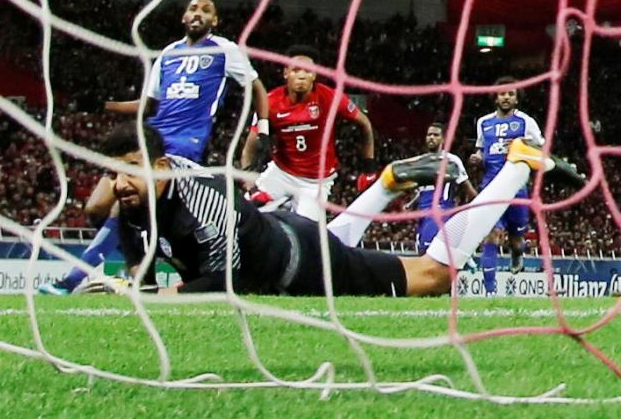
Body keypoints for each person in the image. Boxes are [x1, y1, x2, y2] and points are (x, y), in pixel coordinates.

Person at [100, 122, 582, 297]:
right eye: (113, 172)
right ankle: (388, 183)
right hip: (287, 234)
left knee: (435, 276)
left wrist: (160, 297)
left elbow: (229, 282)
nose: (119, 183)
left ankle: (517, 166)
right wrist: (130, 288)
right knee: (333, 245)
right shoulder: (143, 190)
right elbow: (137, 263)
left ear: (161, 165)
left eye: (129, 170)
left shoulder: (201, 203)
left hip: (305, 264)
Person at [39, 0, 270, 295]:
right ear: (183, 17)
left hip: (185, 144)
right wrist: (106, 105)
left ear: (215, 21)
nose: (197, 13)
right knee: (96, 207)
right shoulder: (168, 54)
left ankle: (69, 282)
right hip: (149, 138)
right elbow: (148, 106)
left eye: (206, 10)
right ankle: (140, 268)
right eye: (192, 8)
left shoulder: (225, 50)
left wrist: (262, 128)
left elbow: (256, 87)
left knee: (120, 210)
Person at [239, 45, 376, 223]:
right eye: (296, 70)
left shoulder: (330, 98)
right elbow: (249, 149)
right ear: (286, 73)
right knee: (245, 214)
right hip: (281, 173)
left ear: (315, 75)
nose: (302, 75)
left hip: (316, 182)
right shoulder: (269, 102)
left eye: (308, 71)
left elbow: (364, 123)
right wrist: (251, 188)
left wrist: (369, 167)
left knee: (305, 231)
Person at [468, 76, 543, 292]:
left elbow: (541, 151)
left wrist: (523, 144)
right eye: (502, 93)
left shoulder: (526, 122)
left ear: (517, 99)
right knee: (491, 235)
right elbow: (481, 151)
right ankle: (489, 293)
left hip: (517, 188)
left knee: (516, 240)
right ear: (496, 97)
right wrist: (477, 158)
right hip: (491, 186)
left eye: (510, 94)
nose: (506, 97)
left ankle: (517, 253)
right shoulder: (483, 122)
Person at [409, 122, 477, 254]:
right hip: (423, 214)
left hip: (439, 212)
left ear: (443, 139)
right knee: (423, 254)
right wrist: (410, 204)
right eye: (429, 135)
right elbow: (422, 190)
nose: (431, 138)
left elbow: (467, 187)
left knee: (429, 256)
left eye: (435, 135)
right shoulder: (420, 162)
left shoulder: (451, 161)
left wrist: (484, 205)